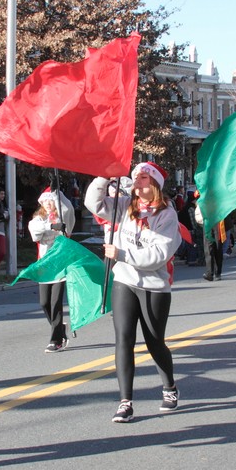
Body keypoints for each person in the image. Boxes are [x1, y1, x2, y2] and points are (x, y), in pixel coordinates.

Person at [85, 162, 181, 423]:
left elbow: (159, 255)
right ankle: (125, 402)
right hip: (124, 281)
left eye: (143, 177)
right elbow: (93, 203)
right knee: (123, 339)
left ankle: (170, 387)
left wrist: (122, 253)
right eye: (136, 175)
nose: (137, 179)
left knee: (154, 342)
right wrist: (105, 173)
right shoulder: (125, 205)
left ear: (155, 184)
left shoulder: (167, 215)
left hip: (154, 287)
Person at [29, 188, 76, 351]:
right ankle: (59, 328)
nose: (48, 204)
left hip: (60, 265)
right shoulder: (38, 219)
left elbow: (68, 209)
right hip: (44, 266)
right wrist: (51, 225)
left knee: (56, 303)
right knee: (44, 302)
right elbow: (35, 232)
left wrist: (58, 193)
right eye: (45, 201)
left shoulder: (64, 217)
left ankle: (56, 340)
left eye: (51, 200)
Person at [194, 204, 225, 281]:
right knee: (208, 248)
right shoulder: (204, 194)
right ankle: (209, 273)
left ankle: (218, 272)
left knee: (217, 247)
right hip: (207, 220)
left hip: (217, 219)